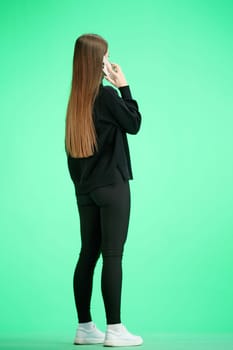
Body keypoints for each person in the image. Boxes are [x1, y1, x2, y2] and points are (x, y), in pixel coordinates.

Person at [65, 33, 143, 347]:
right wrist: (124, 84)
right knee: (112, 255)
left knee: (88, 254)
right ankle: (115, 329)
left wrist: (82, 188)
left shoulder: (76, 101)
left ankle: (85, 328)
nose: (109, 61)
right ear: (100, 62)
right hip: (112, 186)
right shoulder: (108, 96)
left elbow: (72, 153)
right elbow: (134, 123)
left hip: (86, 191)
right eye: (107, 57)